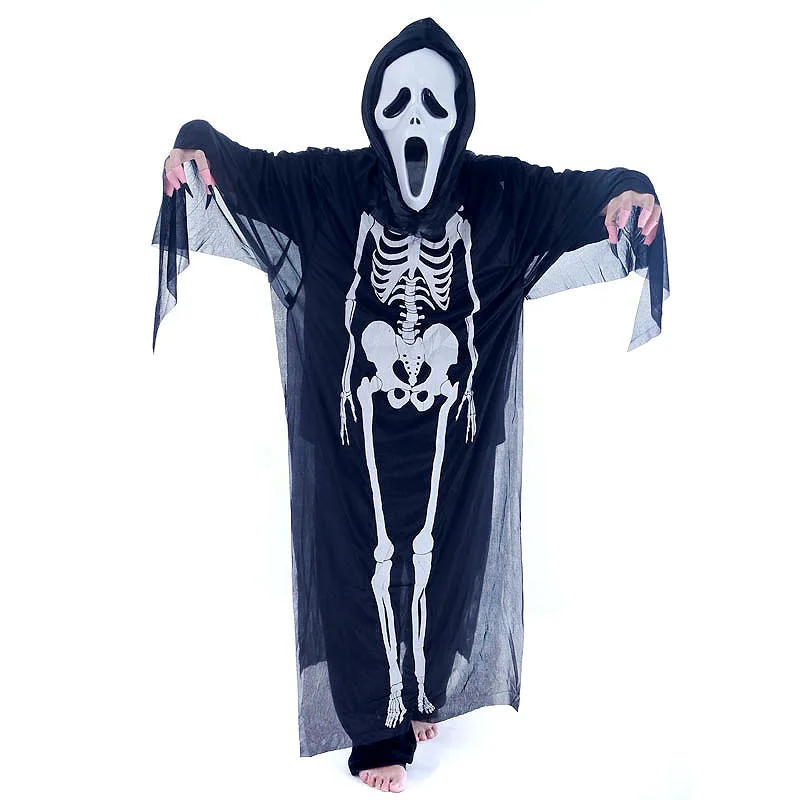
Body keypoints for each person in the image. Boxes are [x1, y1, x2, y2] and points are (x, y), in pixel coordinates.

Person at [155, 17, 667, 794]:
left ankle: (422, 691)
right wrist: (193, 143)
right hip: (359, 410)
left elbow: (582, 192)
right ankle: (376, 724)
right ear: (374, 112)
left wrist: (628, 190)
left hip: (446, 417)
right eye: (398, 103)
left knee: (446, 546)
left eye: (435, 103)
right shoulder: (330, 186)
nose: (416, 120)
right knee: (355, 554)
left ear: (460, 116)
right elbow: (244, 168)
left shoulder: (498, 193)